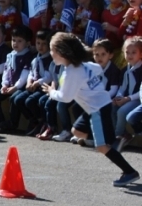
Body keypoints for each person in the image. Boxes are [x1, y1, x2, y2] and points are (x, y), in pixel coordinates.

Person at [42, 32, 139, 186]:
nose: (51, 53)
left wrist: (51, 92)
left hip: (97, 109)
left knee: (101, 147)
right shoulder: (84, 65)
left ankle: (129, 171)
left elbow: (65, 97)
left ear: (62, 52)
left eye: (52, 50)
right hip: (98, 106)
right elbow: (98, 69)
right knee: (77, 131)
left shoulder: (71, 72)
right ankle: (112, 142)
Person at [0, 26, 35, 133]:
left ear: (27, 43)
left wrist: (15, 87)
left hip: (20, 87)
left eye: (19, 41)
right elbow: (6, 71)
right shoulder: (10, 55)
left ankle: (13, 123)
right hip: (9, 85)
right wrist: (4, 84)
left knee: (14, 98)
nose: (15, 43)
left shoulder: (28, 56)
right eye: (14, 40)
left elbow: (25, 75)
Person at [113, 36, 142, 150]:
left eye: (133, 52)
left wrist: (127, 99)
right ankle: (124, 134)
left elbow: (140, 92)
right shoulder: (125, 70)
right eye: (127, 52)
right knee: (112, 107)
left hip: (136, 99)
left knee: (121, 111)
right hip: (127, 98)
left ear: (140, 53)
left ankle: (118, 135)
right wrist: (118, 97)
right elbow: (122, 87)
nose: (130, 55)